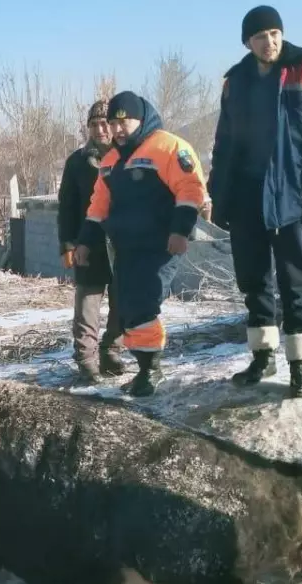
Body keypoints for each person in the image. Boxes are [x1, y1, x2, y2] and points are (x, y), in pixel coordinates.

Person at [208, 5, 302, 398]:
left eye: (274, 33)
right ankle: (263, 356)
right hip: (246, 195)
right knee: (252, 280)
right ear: (248, 42)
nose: (269, 42)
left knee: (294, 281)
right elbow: (224, 142)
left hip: (290, 195)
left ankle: (301, 366)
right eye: (260, 36)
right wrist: (220, 193)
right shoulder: (236, 80)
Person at [73, 91, 209, 397]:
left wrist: (180, 230)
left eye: (124, 122)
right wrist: (84, 242)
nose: (117, 129)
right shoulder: (110, 161)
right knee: (128, 307)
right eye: (112, 123)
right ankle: (145, 365)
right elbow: (98, 206)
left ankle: (151, 370)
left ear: (141, 118)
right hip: (126, 247)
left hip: (161, 245)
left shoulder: (168, 147)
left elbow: (190, 189)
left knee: (144, 303)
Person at [57, 98, 125, 385]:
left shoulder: (129, 155)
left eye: (104, 123)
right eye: (94, 124)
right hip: (88, 243)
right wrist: (67, 244)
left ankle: (112, 351)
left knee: (122, 302)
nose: (100, 130)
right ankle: (86, 359)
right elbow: (67, 207)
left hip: (123, 242)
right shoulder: (78, 162)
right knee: (88, 305)